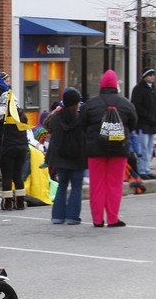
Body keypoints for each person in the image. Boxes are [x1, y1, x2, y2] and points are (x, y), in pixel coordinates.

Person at [76, 69, 137, 227]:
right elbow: (133, 123)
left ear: (101, 85)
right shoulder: (125, 104)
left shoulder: (91, 104)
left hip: (95, 150)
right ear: (116, 85)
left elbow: (82, 124)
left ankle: (97, 219)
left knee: (97, 185)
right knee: (115, 184)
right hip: (119, 149)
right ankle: (112, 218)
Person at [45, 88, 85, 225]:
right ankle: (72, 217)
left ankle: (57, 216)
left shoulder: (56, 117)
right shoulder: (80, 118)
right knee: (76, 187)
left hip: (60, 156)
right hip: (78, 156)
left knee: (62, 185)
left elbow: (51, 131)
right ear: (75, 103)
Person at [0, 71, 29, 210]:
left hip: (6, 147)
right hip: (22, 147)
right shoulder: (21, 113)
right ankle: (20, 202)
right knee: (18, 175)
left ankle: (7, 203)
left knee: (7, 176)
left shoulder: (0, 112)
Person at [130, 68, 156, 179]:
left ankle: (147, 169)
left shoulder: (152, 89)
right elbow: (136, 106)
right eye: (150, 75)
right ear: (144, 76)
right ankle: (142, 170)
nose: (152, 77)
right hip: (143, 124)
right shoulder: (138, 89)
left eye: (153, 75)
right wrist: (147, 116)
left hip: (152, 124)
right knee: (143, 148)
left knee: (150, 148)